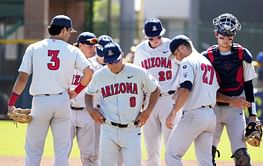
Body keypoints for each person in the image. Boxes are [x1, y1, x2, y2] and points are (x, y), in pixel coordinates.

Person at [7, 15, 94, 166]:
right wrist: (76, 91)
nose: (69, 34)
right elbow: (89, 72)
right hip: (62, 101)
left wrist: (12, 102)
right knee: (62, 150)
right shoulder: (72, 51)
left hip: (40, 102)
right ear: (64, 29)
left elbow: (22, 77)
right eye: (69, 31)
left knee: (33, 149)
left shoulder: (34, 47)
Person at [85, 42, 160, 166]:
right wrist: (91, 109)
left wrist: (147, 111)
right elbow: (89, 93)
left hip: (132, 129)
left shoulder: (138, 72)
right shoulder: (100, 75)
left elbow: (155, 89)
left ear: (122, 56)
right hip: (108, 128)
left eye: (116, 61)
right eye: (109, 62)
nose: (113, 65)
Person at [202, 13, 258, 166]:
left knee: (242, 157)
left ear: (234, 36)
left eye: (229, 38)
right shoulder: (205, 57)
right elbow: (203, 89)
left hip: (235, 110)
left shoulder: (242, 54)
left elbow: (248, 86)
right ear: (216, 34)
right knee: (208, 155)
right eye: (222, 37)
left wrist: (252, 115)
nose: (226, 41)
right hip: (212, 109)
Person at [133, 18, 181, 166]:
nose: (156, 39)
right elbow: (137, 76)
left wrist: (182, 87)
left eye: (158, 36)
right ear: (146, 36)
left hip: (170, 98)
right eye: (152, 37)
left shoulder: (171, 45)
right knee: (151, 147)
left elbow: (185, 66)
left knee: (172, 145)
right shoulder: (141, 49)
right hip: (149, 100)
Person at [165, 35, 219, 166]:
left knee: (172, 154)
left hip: (195, 115)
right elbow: (213, 91)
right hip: (211, 116)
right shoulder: (207, 63)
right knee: (205, 160)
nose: (176, 58)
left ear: (182, 47)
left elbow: (186, 89)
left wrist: (173, 112)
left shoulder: (187, 61)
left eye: (176, 54)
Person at [68, 32, 100, 165]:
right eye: (89, 45)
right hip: (67, 112)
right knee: (62, 152)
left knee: (89, 155)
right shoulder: (67, 63)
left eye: (94, 46)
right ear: (80, 45)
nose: (93, 48)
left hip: (87, 112)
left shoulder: (96, 67)